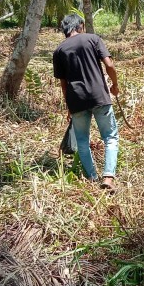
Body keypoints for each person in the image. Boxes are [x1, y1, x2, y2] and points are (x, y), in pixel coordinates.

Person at [53, 14, 120, 191]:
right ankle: (108, 177)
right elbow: (110, 65)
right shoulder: (93, 39)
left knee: (82, 141)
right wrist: (115, 85)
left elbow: (64, 83)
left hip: (76, 100)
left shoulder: (59, 50)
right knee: (110, 137)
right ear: (81, 25)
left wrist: (69, 107)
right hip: (100, 97)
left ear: (65, 30)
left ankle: (91, 178)